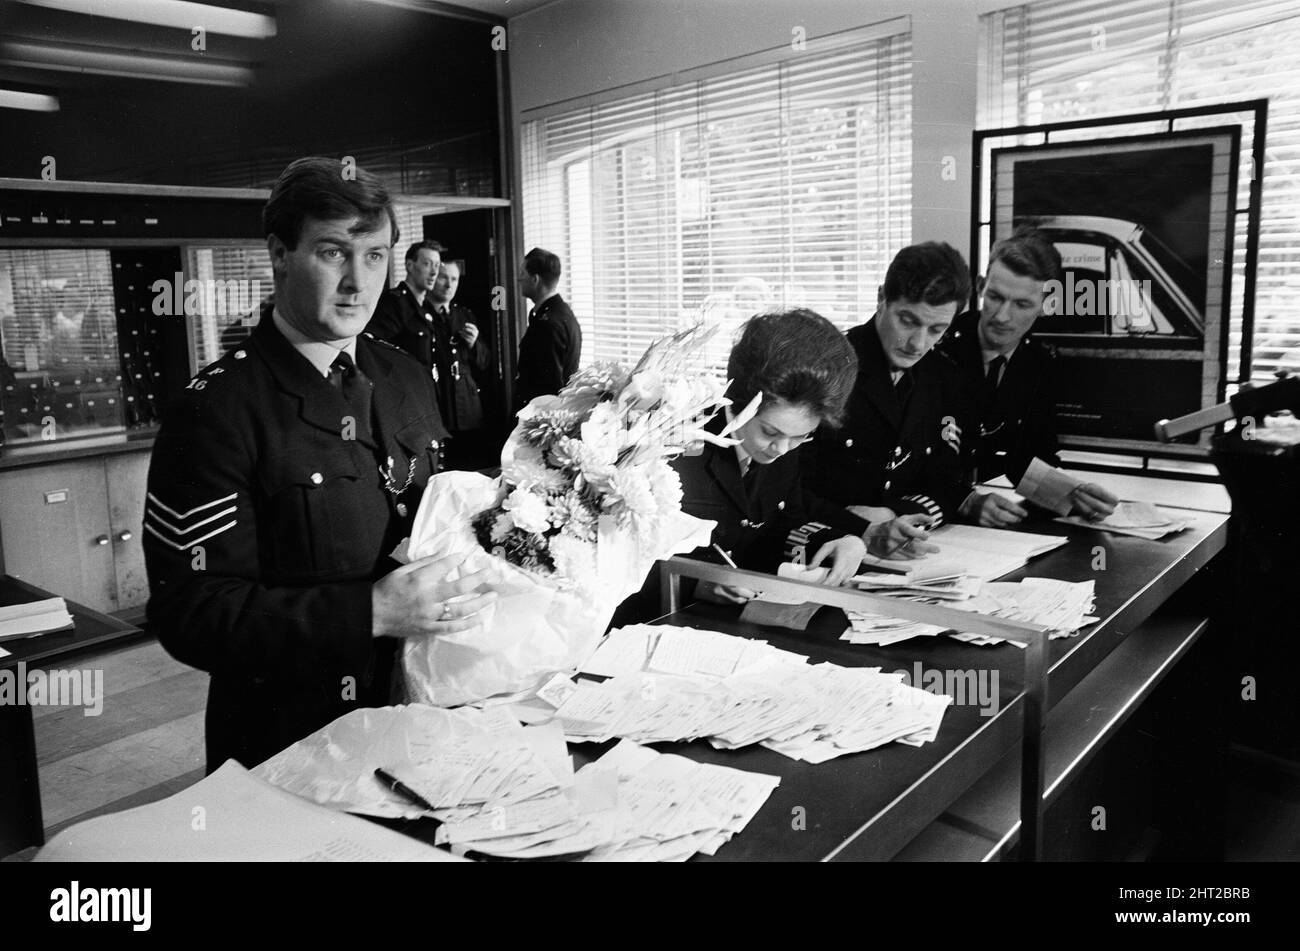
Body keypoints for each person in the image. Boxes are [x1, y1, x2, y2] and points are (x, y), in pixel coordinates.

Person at [144, 157, 500, 771]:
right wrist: (372, 611)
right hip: (294, 741)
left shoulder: (404, 376)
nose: (358, 284)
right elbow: (191, 612)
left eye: (376, 256)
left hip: (427, 712)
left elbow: (431, 509)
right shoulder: (218, 409)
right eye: (334, 253)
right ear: (280, 254)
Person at [676, 309, 938, 606]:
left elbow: (779, 526)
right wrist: (697, 584)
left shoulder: (782, 449)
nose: (782, 449)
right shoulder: (678, 449)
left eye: (801, 436)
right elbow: (624, 576)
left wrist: (839, 541)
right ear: (740, 402)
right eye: (770, 431)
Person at [939, 226, 1118, 526]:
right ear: (981, 286)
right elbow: (914, 463)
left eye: (1022, 304)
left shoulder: (1039, 361)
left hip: (986, 529)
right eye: (995, 297)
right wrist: (964, 501)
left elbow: (1028, 457)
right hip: (929, 517)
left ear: (1048, 304)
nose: (1002, 316)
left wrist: (1067, 495)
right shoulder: (938, 348)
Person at [803, 242, 974, 528]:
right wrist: (851, 524)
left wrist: (895, 514)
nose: (918, 344)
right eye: (907, 321)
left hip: (907, 543)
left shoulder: (944, 377)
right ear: (882, 297)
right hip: (826, 542)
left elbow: (951, 482)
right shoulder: (825, 367)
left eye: (936, 329)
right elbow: (782, 487)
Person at [426, 258, 492, 470]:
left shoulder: (464, 315)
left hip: (466, 403)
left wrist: (474, 344)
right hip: (438, 399)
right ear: (432, 278)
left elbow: (485, 362)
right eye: (443, 278)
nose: (449, 284)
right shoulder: (419, 315)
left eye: (454, 279)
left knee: (470, 463)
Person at [514, 247, 580, 410]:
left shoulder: (548, 324)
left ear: (535, 279)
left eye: (522, 273)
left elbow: (549, 390)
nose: (518, 279)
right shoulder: (561, 313)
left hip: (541, 417)